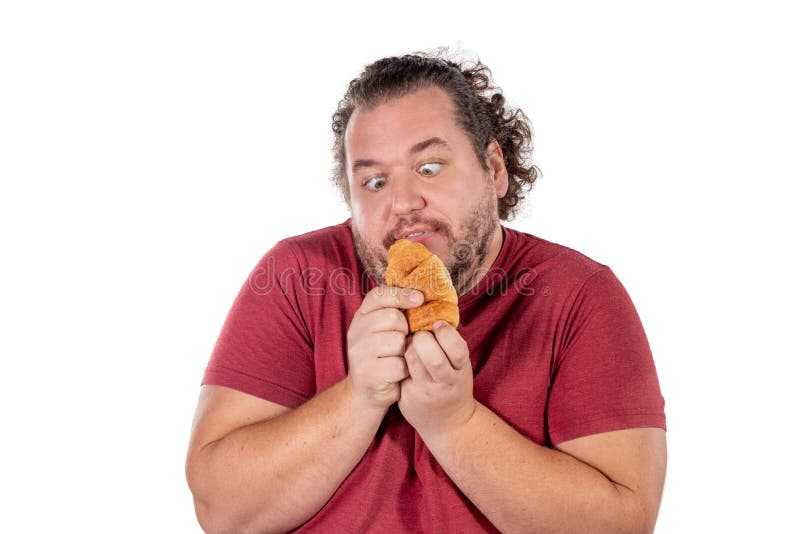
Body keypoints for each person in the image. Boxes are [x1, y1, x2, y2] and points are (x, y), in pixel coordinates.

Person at [186, 50, 667, 533]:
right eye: (374, 181)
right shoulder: (296, 276)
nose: (402, 203)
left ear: (494, 169)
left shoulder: (580, 295)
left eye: (430, 167)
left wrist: (453, 422)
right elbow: (222, 512)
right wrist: (358, 397)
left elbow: (623, 525)